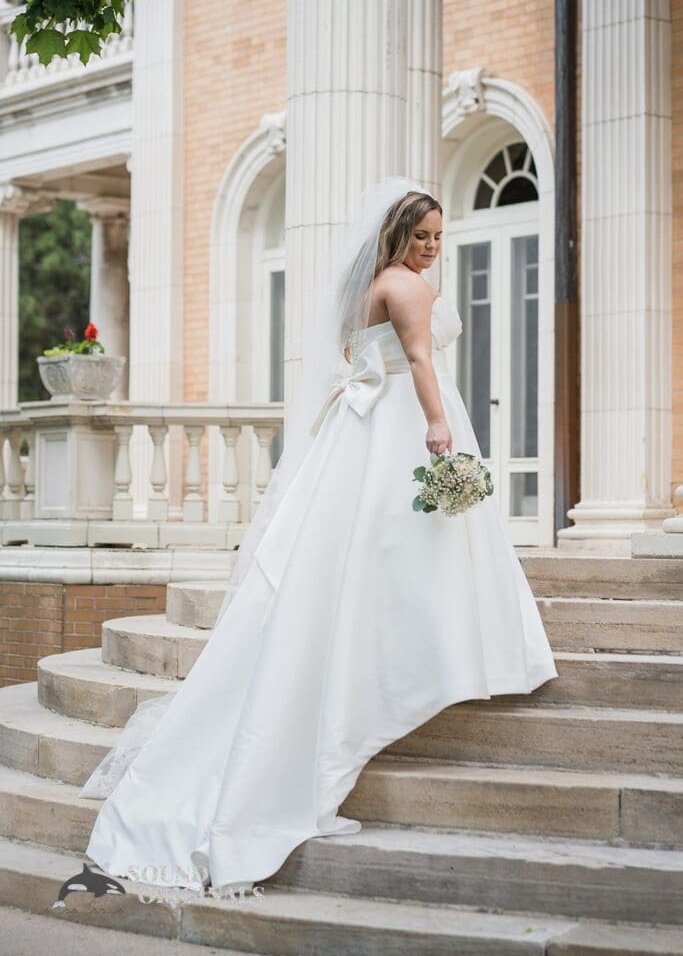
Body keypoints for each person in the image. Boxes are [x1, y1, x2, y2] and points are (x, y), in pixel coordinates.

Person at [79, 176, 558, 897]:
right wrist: (437, 424)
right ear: (396, 236)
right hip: (401, 416)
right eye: (420, 236)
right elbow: (422, 361)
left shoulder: (366, 284)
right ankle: (447, 653)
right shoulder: (408, 288)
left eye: (438, 237)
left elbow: (358, 357)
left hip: (359, 423)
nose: (431, 248)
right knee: (411, 545)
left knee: (362, 548)